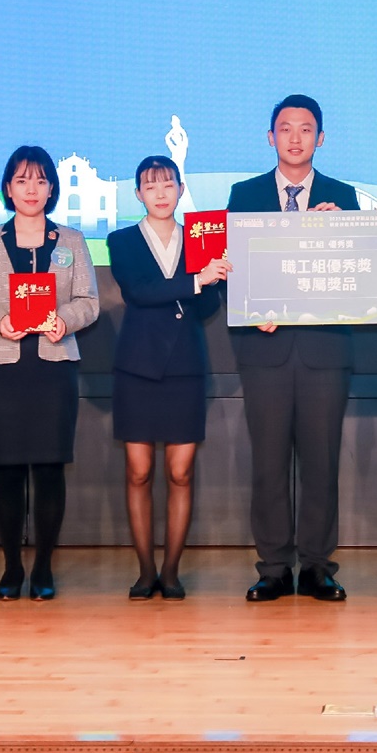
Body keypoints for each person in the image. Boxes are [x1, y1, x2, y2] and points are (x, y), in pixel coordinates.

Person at [227, 94, 361, 602]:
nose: (296, 138)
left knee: (322, 463)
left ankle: (318, 566)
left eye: (306, 129)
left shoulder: (342, 197)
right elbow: (229, 270)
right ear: (270, 137)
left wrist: (342, 231)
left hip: (325, 352)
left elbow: (359, 276)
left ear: (320, 138)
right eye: (286, 128)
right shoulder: (244, 195)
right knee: (268, 464)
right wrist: (250, 309)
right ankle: (274, 567)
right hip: (264, 352)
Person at [0, 146, 100, 601]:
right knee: (9, 470)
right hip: (5, 368)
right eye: (21, 180)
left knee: (50, 468)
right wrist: (0, 322)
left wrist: (65, 321)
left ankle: (43, 568)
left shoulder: (71, 240)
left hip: (54, 368)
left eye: (39, 180)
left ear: (51, 188)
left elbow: (89, 301)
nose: (31, 189)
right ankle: (12, 568)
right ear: (8, 188)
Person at [106, 155, 229, 601]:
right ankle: (145, 572)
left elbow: (208, 306)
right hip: (138, 367)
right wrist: (197, 281)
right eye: (151, 186)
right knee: (139, 472)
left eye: (168, 184)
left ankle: (171, 572)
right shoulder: (121, 240)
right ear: (138, 193)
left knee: (181, 473)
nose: (160, 193)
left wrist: (216, 276)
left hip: (185, 367)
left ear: (180, 188)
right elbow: (139, 292)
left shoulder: (200, 237)